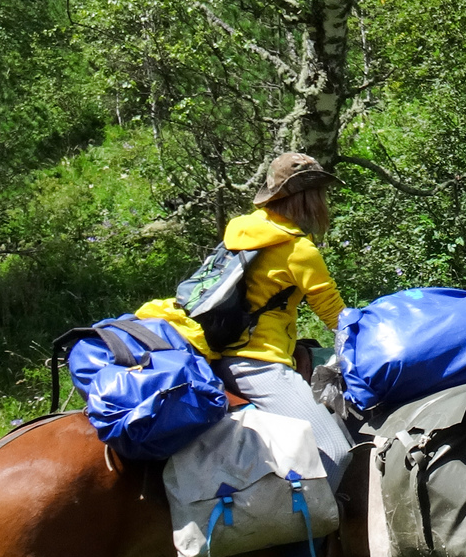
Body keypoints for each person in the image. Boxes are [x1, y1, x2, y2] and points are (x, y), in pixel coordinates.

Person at [138, 151, 353, 487]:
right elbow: (338, 320)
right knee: (337, 451)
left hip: (213, 350)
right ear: (309, 199)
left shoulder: (242, 231)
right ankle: (314, 537)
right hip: (257, 364)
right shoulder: (299, 250)